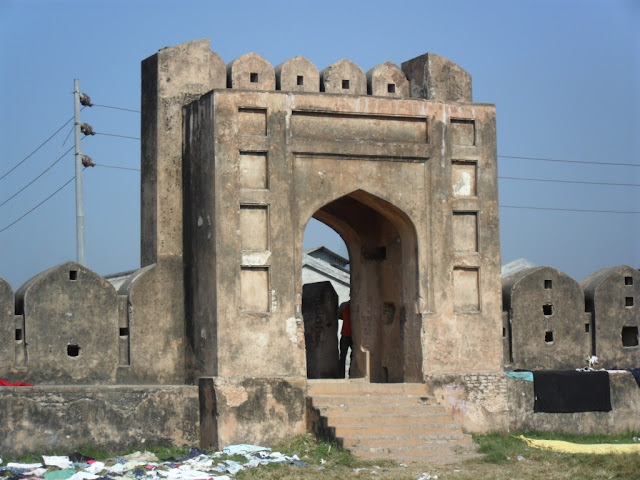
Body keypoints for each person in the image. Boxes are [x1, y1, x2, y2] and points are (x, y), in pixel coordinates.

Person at [338, 301, 352, 378]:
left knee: (343, 356)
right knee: (350, 356)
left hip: (346, 334)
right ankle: (351, 374)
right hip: (348, 335)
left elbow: (339, 315)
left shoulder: (344, 305)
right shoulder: (345, 306)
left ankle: (341, 375)